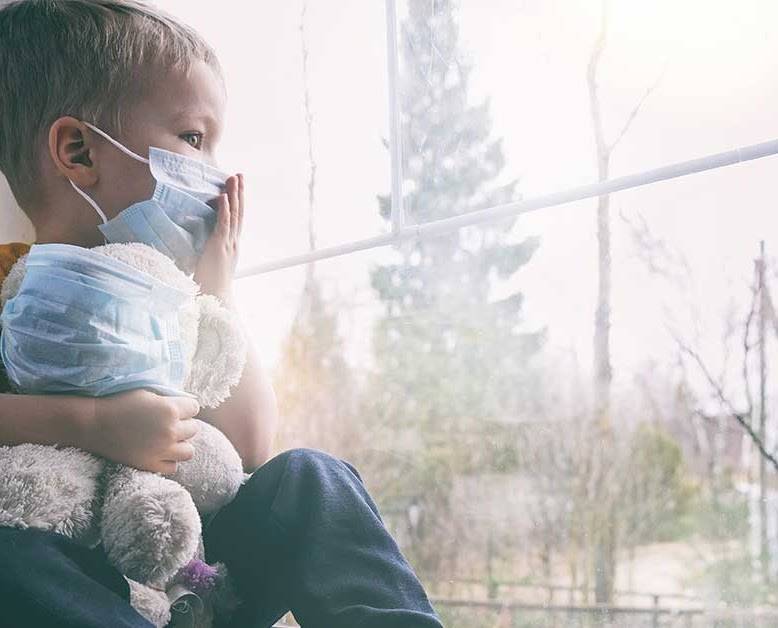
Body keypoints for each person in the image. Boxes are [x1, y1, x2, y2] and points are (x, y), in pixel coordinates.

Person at [0, 1, 444, 626]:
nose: (214, 173)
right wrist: (92, 425)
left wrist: (217, 290)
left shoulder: (180, 300)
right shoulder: (8, 286)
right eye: (192, 139)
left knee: (310, 477)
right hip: (78, 579)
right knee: (9, 559)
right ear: (79, 150)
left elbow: (252, 445)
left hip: (200, 579)